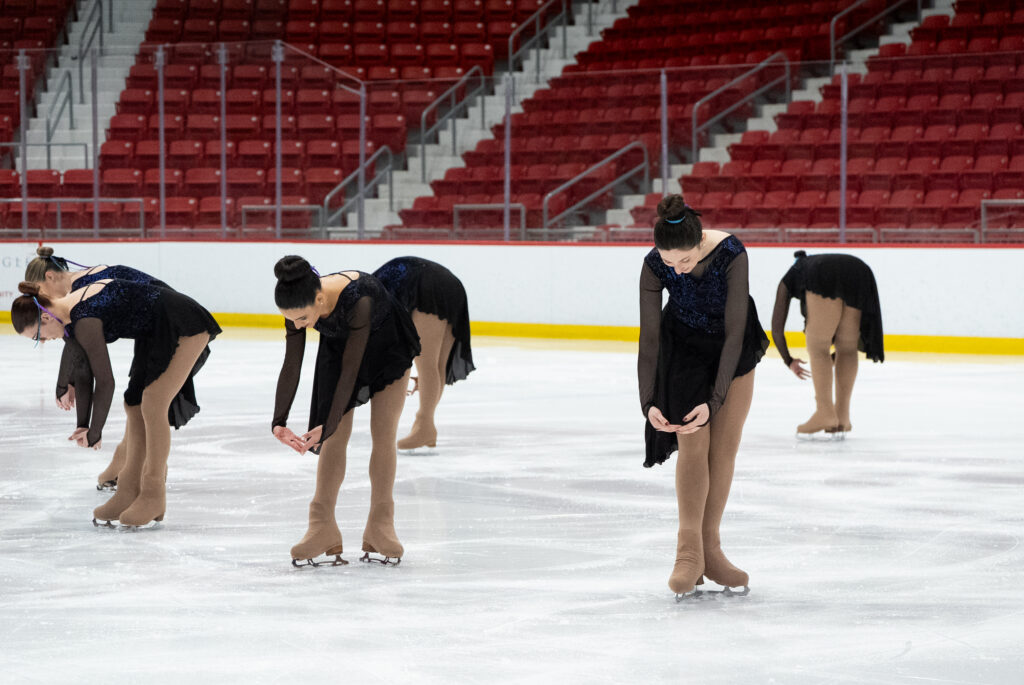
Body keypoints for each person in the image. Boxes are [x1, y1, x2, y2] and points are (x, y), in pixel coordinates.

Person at [638, 194, 768, 599]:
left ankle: (711, 549)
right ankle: (688, 553)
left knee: (723, 450)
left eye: (685, 261)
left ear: (699, 244)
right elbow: (650, 339)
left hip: (733, 350)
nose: (677, 269)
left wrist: (714, 402)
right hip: (684, 352)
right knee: (692, 445)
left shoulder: (730, 252)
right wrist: (649, 402)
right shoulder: (654, 264)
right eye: (670, 262)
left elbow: (733, 334)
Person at [10, 277, 220, 527]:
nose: (44, 342)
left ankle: (153, 495)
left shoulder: (84, 318)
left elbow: (105, 381)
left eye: (38, 338)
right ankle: (127, 491)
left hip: (183, 324)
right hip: (153, 332)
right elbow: (84, 373)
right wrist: (83, 425)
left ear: (44, 318)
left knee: (154, 402)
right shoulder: (70, 317)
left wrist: (96, 432)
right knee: (134, 404)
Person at [271, 256, 421, 567]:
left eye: (302, 318)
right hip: (339, 347)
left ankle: (381, 525)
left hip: (387, 348)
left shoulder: (360, 298)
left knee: (383, 433)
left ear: (320, 298)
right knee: (333, 440)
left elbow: (351, 372)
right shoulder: (298, 302)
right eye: (292, 321)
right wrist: (279, 421)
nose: (299, 326)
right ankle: (321, 525)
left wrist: (327, 424)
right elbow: (292, 362)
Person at [24, 246, 170, 490]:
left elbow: (78, 347)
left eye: (41, 292)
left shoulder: (81, 291)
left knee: (146, 404)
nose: (44, 301)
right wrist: (68, 382)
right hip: (152, 330)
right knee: (137, 403)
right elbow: (76, 345)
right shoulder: (78, 288)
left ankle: (149, 472)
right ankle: (127, 467)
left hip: (168, 325)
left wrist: (64, 384)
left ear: (49, 276)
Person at [771, 250, 884, 436]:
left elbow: (776, 327)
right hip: (859, 271)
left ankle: (825, 412)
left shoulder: (793, 275)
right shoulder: (806, 267)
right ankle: (842, 418)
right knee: (847, 348)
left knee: (817, 346)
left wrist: (788, 360)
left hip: (823, 274)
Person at [373, 256, 475, 450]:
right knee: (436, 365)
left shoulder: (361, 303)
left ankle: (425, 424)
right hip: (449, 284)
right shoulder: (368, 289)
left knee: (427, 363)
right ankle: (424, 426)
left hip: (427, 285)